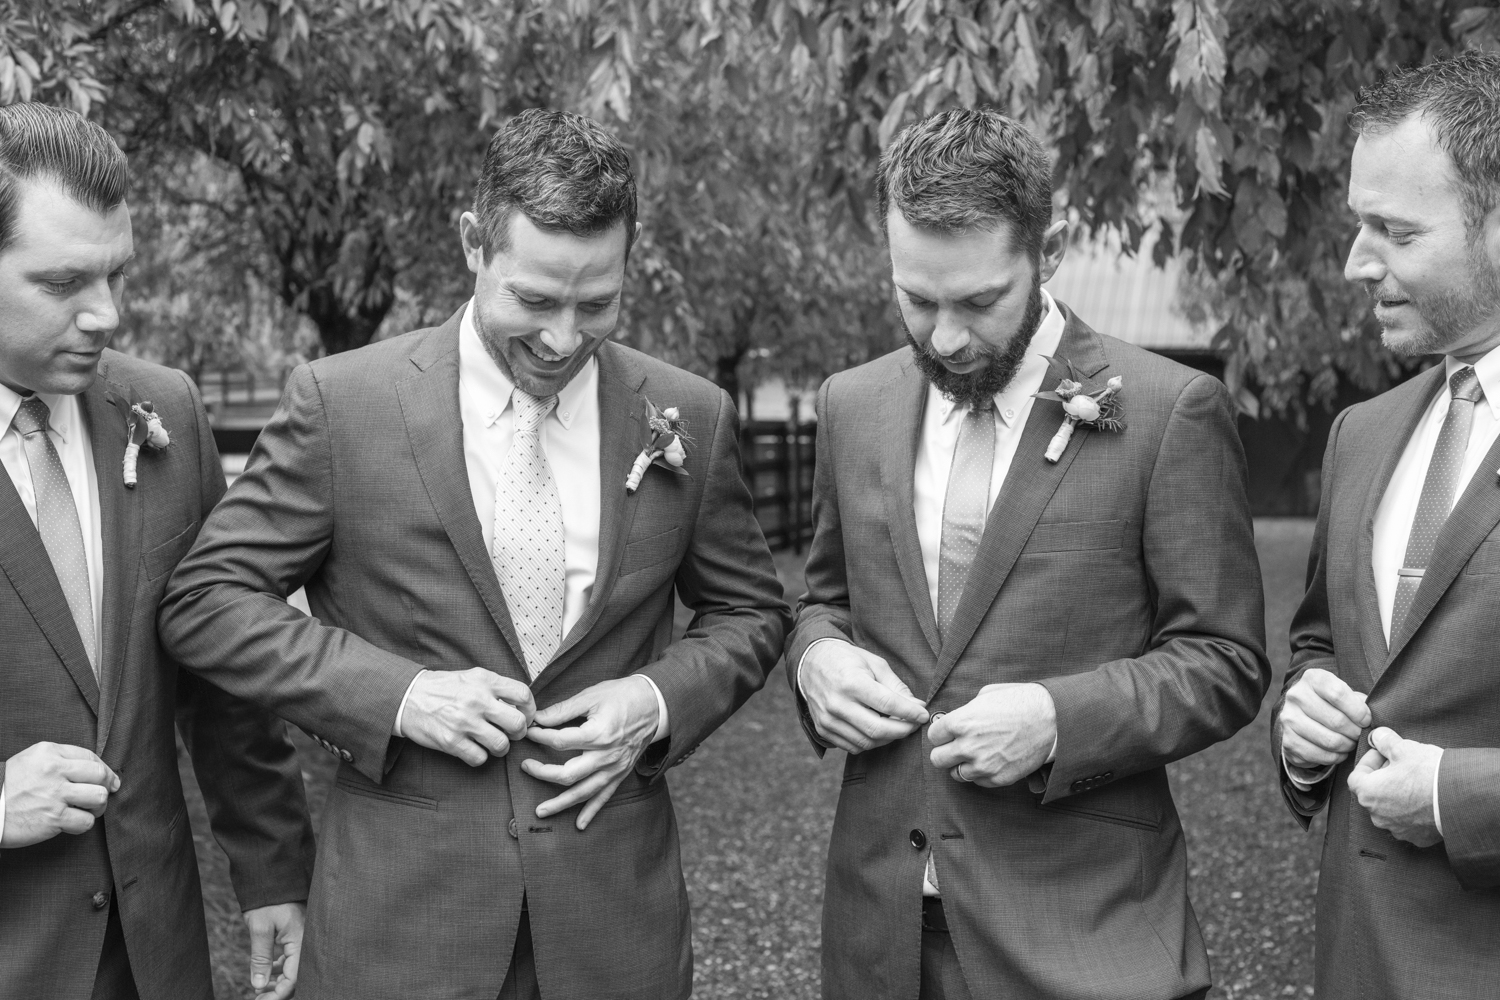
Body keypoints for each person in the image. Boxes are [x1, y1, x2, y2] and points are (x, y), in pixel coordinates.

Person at [157, 107, 789, 1000]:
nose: (564, 339)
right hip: (400, 925)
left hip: (615, 925)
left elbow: (754, 610)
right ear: (472, 245)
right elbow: (206, 603)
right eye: (533, 300)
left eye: (597, 304)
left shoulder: (688, 413)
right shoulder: (343, 405)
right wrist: (400, 695)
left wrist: (656, 700)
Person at [785, 107, 1270, 1000]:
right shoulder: (851, 404)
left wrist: (1059, 719)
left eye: (978, 301)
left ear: (1047, 257)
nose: (944, 337)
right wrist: (816, 658)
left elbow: (1226, 662)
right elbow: (825, 600)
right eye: (914, 299)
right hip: (881, 930)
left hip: (1084, 933)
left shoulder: (1172, 411)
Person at [0, 103, 314, 1000]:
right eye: (64, 284)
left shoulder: (163, 411)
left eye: (118, 275)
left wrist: (272, 869)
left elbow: (221, 677)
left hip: (156, 950)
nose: (107, 315)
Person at [1275, 50, 1500, 999]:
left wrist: (1459, 799)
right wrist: (1304, 714)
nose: (1355, 263)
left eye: (1393, 231)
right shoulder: (1362, 435)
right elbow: (1323, 641)